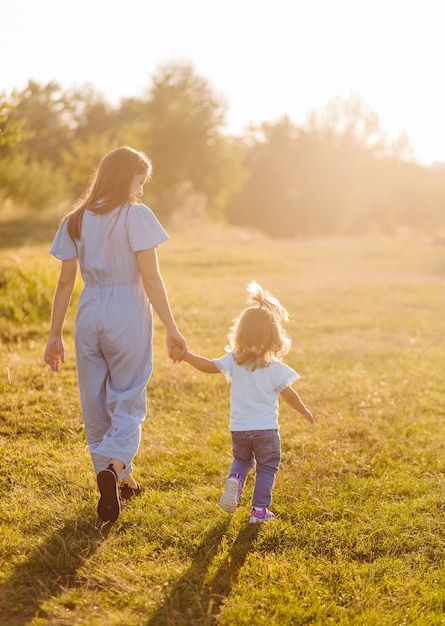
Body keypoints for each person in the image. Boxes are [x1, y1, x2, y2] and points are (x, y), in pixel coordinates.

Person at [44, 146, 187, 523]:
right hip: (126, 310)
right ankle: (114, 466)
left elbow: (63, 283)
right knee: (128, 397)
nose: (141, 189)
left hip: (89, 312)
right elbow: (151, 278)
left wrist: (53, 334)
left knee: (95, 404)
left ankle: (120, 480)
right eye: (140, 180)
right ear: (127, 177)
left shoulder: (75, 219)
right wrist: (172, 328)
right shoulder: (134, 216)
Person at [176, 281, 314, 523]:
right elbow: (289, 395)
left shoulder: (234, 360)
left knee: (242, 460)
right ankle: (259, 511)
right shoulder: (275, 368)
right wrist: (304, 411)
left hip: (239, 429)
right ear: (274, 336)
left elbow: (208, 365)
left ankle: (236, 480)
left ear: (240, 333)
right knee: (267, 466)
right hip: (266, 430)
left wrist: (186, 356)